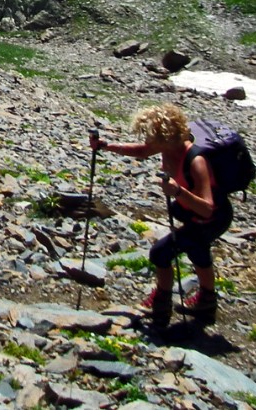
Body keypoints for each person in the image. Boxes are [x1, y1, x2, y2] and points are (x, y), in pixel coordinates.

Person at [91, 103, 231, 327]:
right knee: (197, 250)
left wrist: (177, 191)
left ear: (164, 136)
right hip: (193, 214)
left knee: (161, 253)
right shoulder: (168, 148)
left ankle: (161, 304)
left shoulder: (196, 161)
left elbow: (207, 207)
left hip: (212, 218)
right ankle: (206, 303)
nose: (147, 140)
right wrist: (106, 146)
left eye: (150, 135)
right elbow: (142, 152)